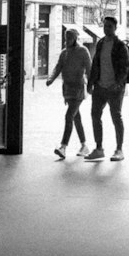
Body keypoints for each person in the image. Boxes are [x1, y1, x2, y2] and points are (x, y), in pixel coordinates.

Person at [84, 16, 129, 161]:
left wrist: (118, 84)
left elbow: (124, 67)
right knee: (95, 115)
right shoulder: (101, 43)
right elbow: (95, 64)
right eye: (105, 26)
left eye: (109, 26)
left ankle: (119, 149)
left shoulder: (120, 46)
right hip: (100, 87)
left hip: (115, 88)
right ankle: (99, 148)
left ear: (115, 28)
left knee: (116, 116)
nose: (106, 28)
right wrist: (91, 83)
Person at [46, 26, 92, 159]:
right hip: (67, 89)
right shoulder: (64, 52)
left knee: (69, 116)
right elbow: (58, 67)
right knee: (76, 117)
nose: (67, 40)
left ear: (75, 38)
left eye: (70, 37)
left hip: (78, 89)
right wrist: (51, 79)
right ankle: (84, 145)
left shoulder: (83, 51)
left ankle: (63, 147)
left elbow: (89, 70)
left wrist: (90, 86)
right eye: (66, 37)